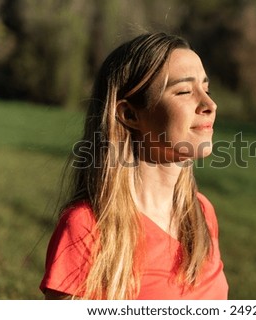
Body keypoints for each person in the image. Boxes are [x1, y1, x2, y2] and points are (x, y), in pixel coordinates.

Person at [39, 32, 228, 299]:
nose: (210, 104)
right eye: (185, 91)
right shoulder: (88, 226)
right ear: (129, 114)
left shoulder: (201, 213)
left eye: (206, 89)